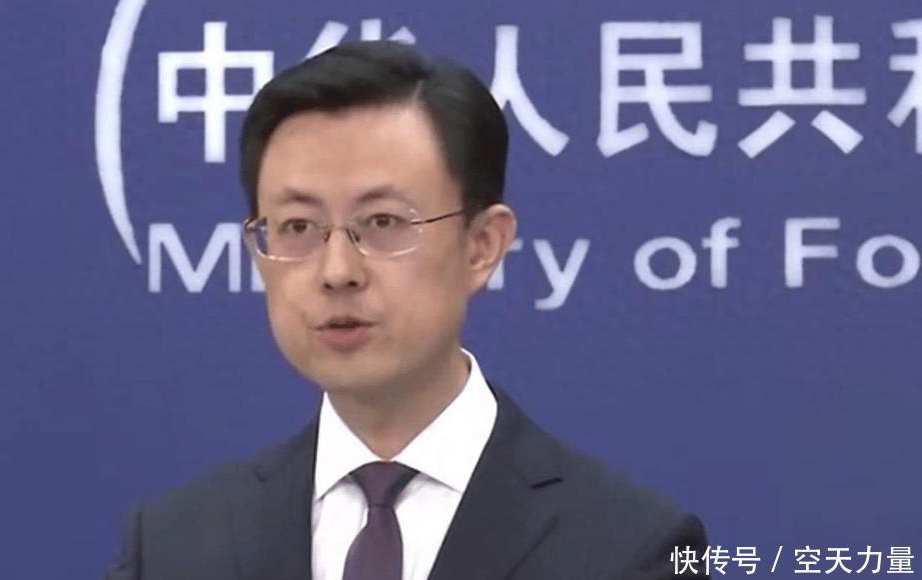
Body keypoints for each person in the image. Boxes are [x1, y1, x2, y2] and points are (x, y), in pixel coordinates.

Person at [103, 40, 709, 580]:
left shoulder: (629, 549)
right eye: (297, 227)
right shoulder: (173, 545)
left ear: (482, 246)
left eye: (383, 222)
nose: (337, 270)